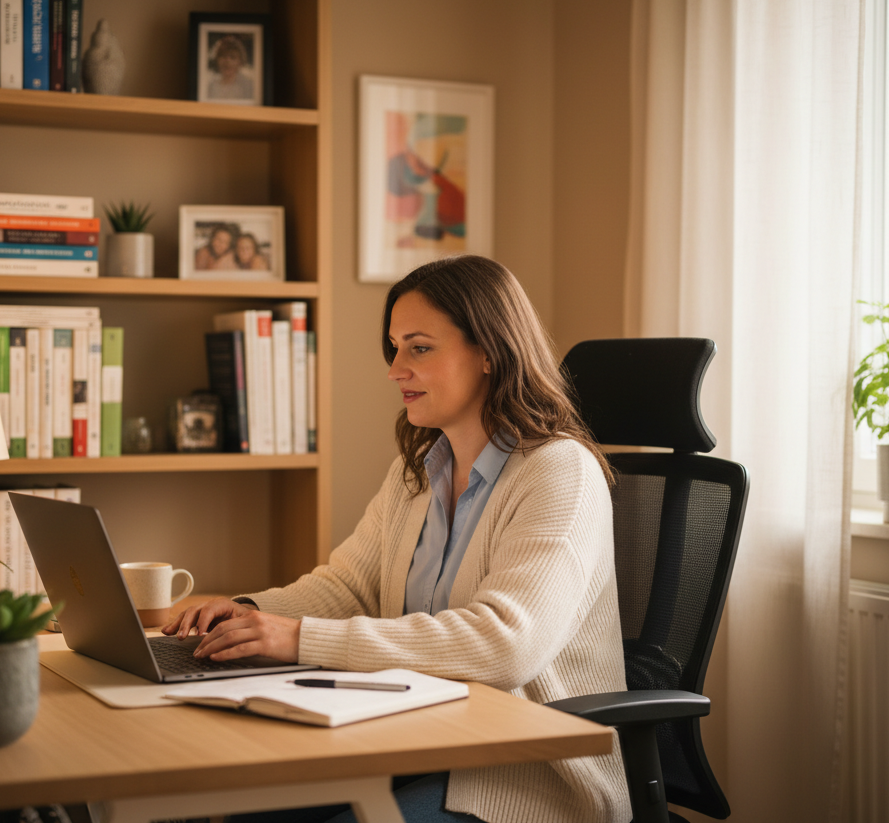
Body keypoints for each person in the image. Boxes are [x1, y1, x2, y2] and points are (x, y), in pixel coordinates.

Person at [164, 255, 630, 823]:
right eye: (395, 347)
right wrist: (248, 613)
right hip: (407, 739)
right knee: (229, 807)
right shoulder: (416, 471)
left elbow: (506, 644)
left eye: (420, 347)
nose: (395, 369)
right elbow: (349, 586)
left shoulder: (559, 472)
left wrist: (299, 640)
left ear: (489, 351)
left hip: (519, 775)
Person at [206, 34, 255, 102]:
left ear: (240, 61)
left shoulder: (248, 86)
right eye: (223, 56)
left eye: (232, 57)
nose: (227, 61)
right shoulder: (211, 85)